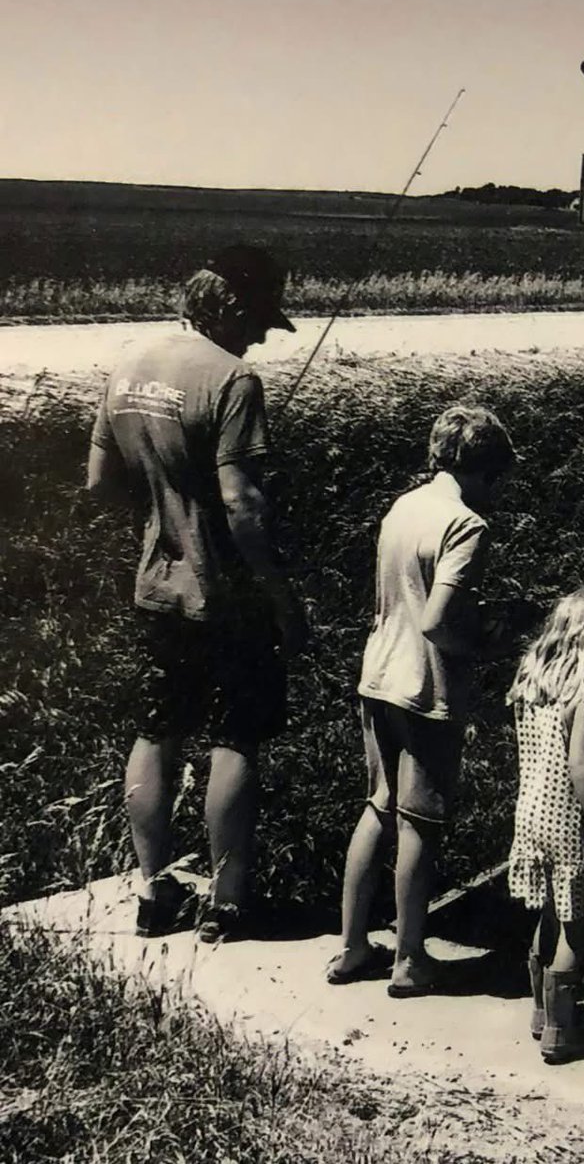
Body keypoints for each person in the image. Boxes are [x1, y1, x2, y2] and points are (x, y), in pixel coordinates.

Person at [86, 245, 307, 943]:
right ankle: (227, 903)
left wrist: (164, 512)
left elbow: (98, 483)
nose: (267, 334)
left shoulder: (129, 363)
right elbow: (242, 505)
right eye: (263, 318)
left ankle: (154, 894)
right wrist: (279, 595)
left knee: (158, 729)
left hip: (155, 588)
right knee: (237, 737)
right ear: (234, 306)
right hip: (228, 595)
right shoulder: (234, 379)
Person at [326, 405, 516, 995]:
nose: (495, 493)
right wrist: (483, 644)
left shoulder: (403, 506)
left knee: (378, 804)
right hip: (425, 684)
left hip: (378, 670)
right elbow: (437, 622)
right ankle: (409, 959)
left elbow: (401, 596)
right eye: (495, 480)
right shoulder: (466, 524)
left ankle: (353, 947)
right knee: (420, 822)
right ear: (482, 472)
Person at [505, 587, 584, 1064]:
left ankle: (540, 1011)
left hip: (530, 806)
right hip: (566, 814)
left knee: (547, 913)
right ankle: (562, 1031)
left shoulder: (532, 678)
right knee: (576, 923)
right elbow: (581, 763)